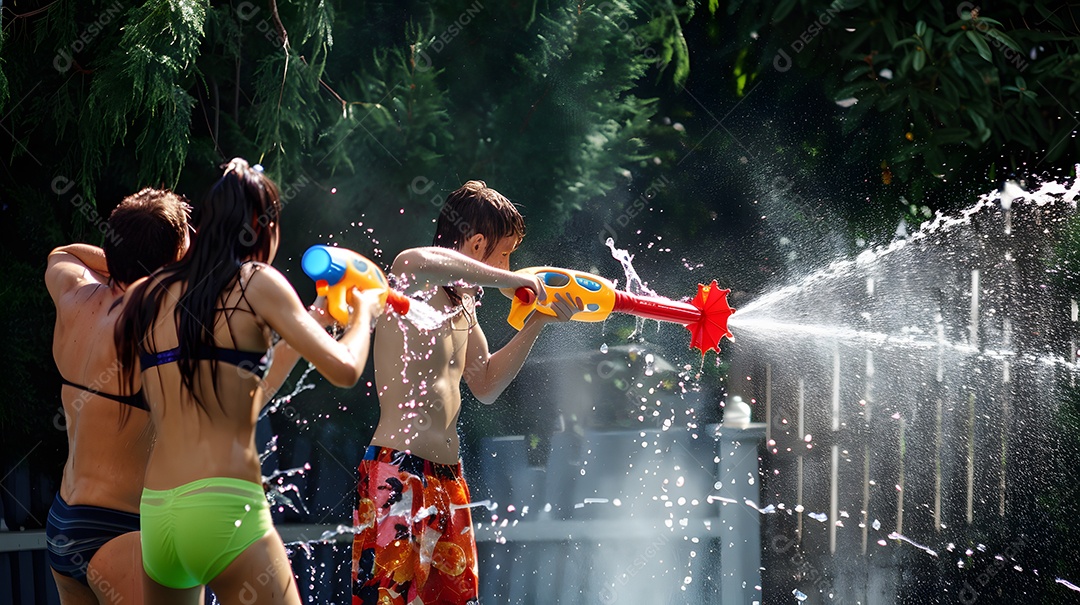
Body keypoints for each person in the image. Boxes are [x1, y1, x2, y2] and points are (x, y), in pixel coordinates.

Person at [114, 158, 382, 605]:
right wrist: (365, 317)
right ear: (262, 225)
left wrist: (307, 327)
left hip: (160, 516)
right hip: (224, 508)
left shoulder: (150, 292)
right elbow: (346, 369)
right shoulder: (255, 281)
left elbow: (245, 401)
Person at [351, 180, 582, 604]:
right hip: (398, 473)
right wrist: (509, 280)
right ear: (477, 244)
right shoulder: (411, 277)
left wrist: (539, 322)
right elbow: (429, 260)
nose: (512, 264)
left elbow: (487, 384)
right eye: (506, 252)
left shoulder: (462, 307)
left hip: (449, 479)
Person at [45, 187, 192, 605]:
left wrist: (127, 260)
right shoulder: (163, 319)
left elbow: (64, 252)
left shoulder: (73, 295)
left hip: (65, 523)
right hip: (122, 531)